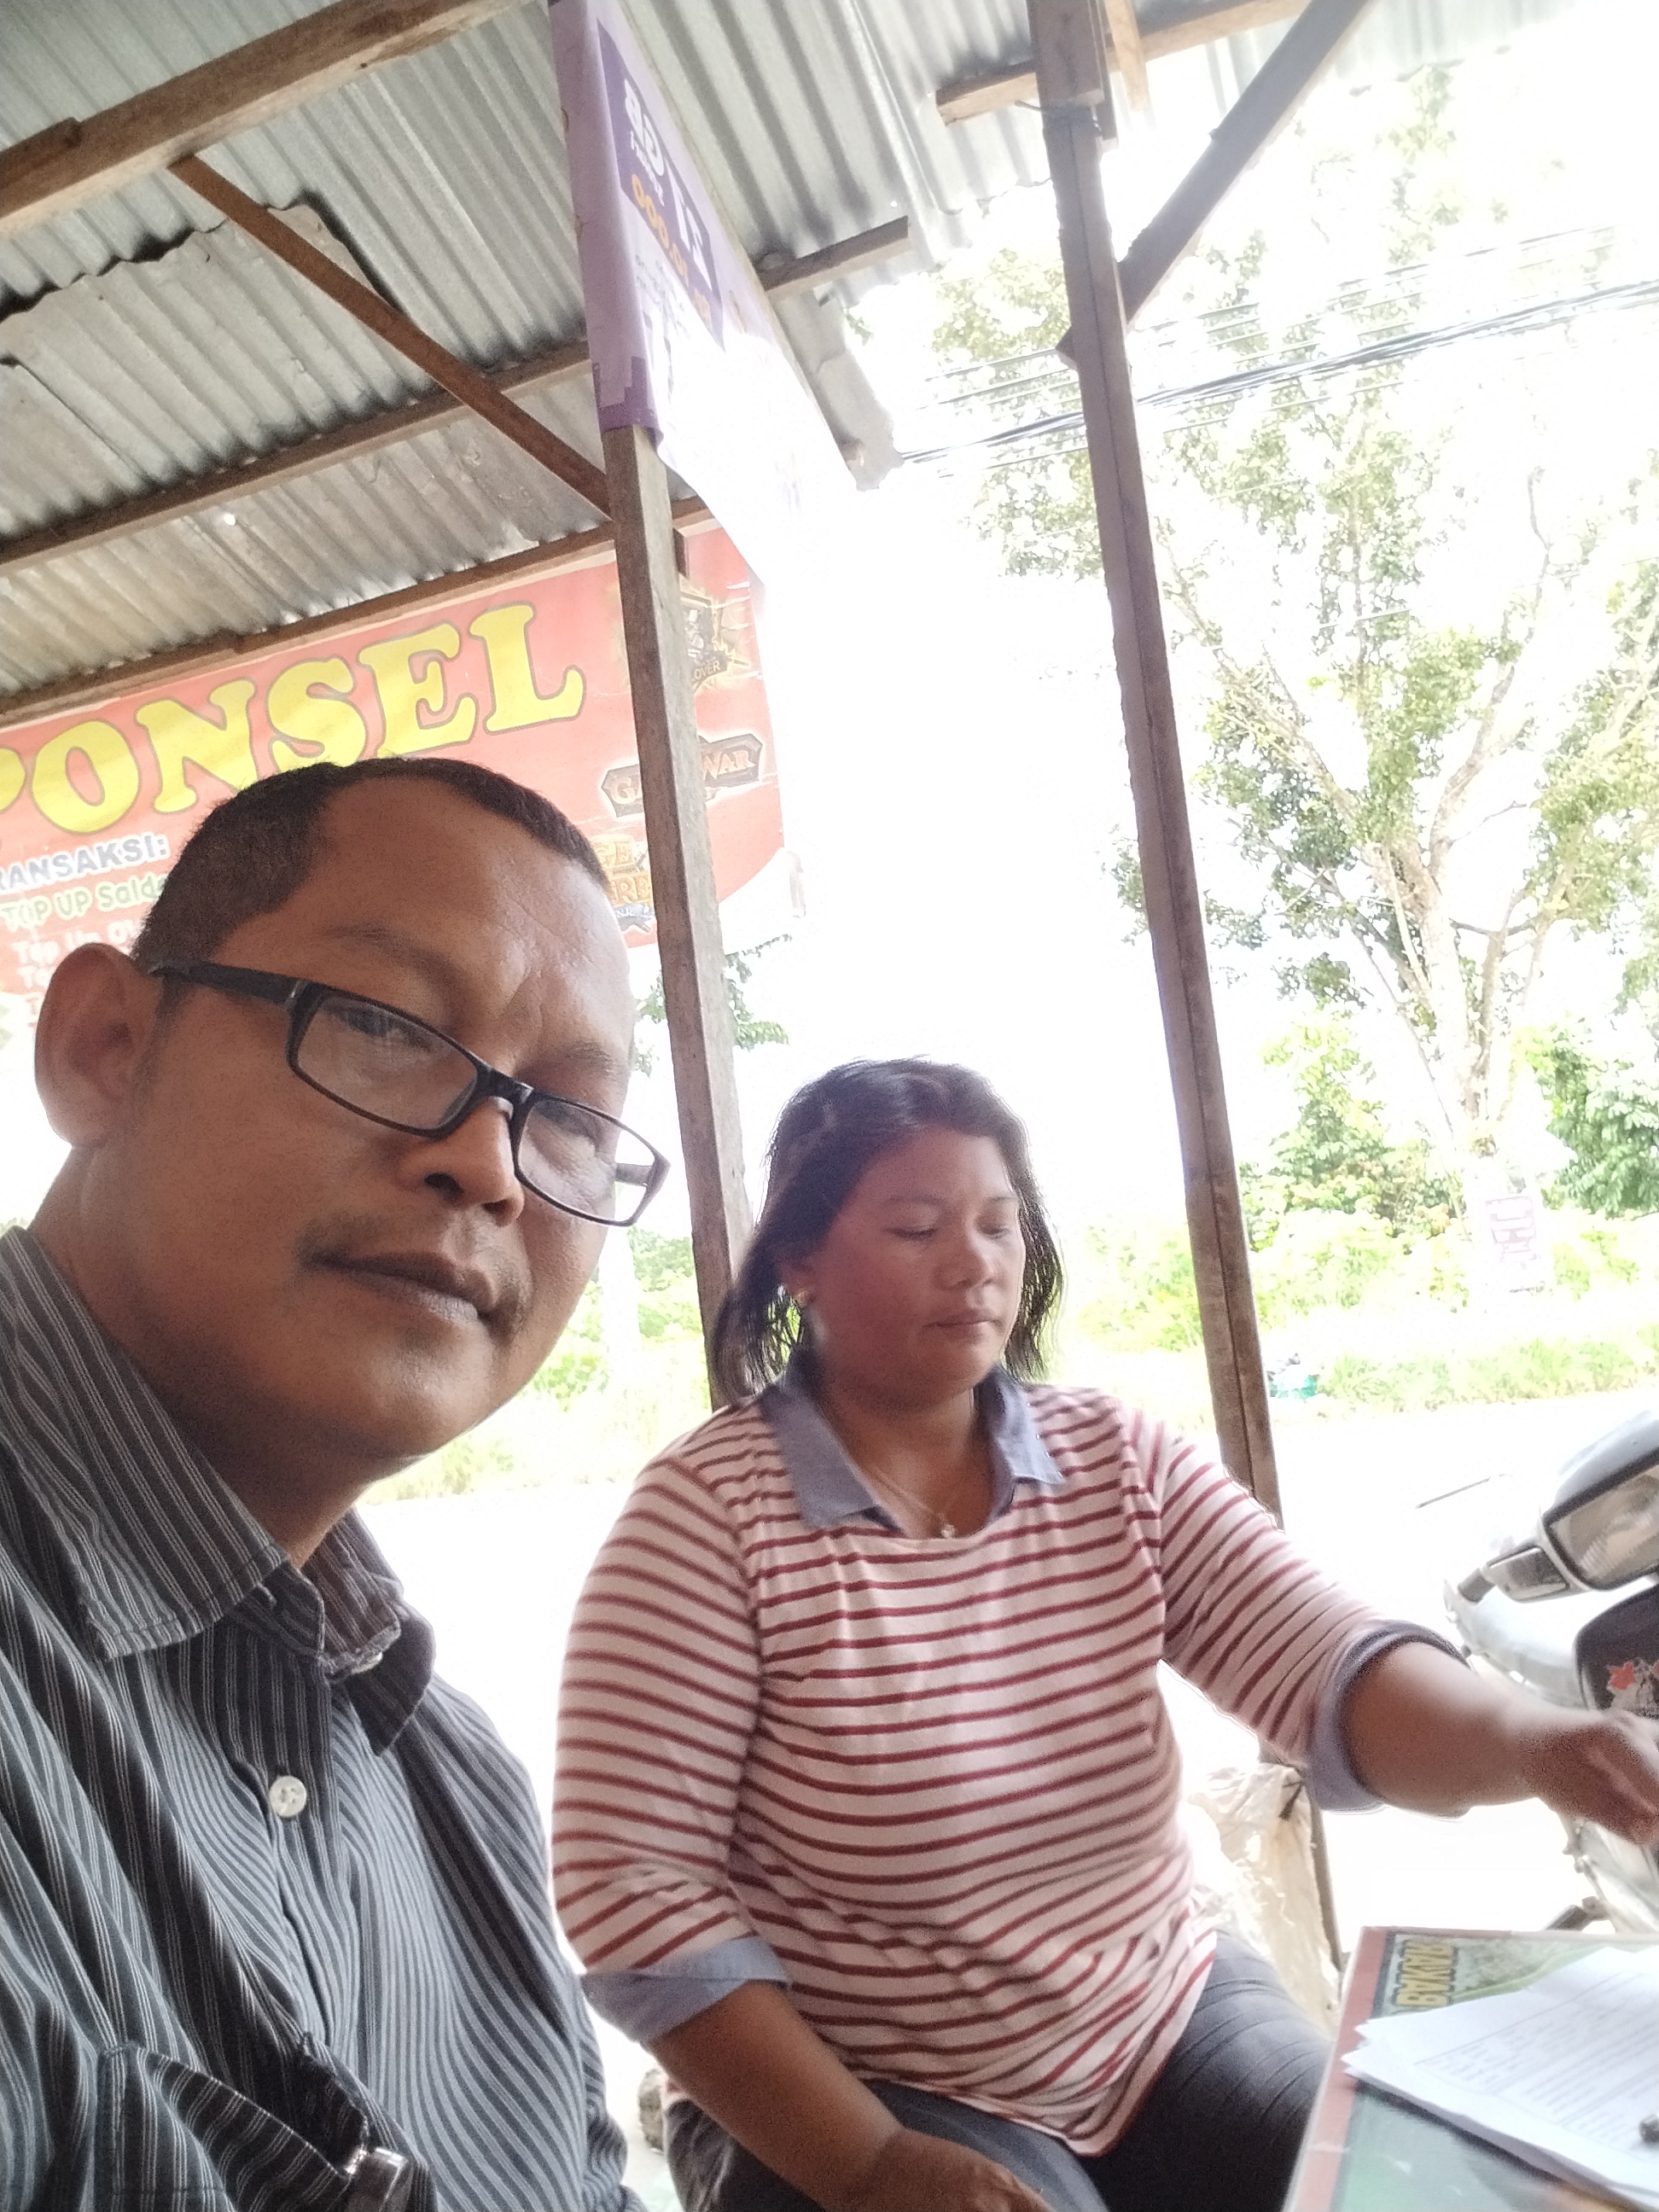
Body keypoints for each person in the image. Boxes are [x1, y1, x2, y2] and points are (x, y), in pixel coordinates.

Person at [553, 1059, 1659, 2212]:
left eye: (999, 1224)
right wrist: (869, 2161)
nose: (974, 1261)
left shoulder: (1112, 1460)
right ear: (800, 1259)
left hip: (1160, 2011)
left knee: (1397, 2186)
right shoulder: (708, 1518)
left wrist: (1535, 1744)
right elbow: (632, 1883)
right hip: (862, 2081)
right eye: (917, 1227)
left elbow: (1324, 1660)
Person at [1, 759, 669, 2212]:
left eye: (567, 1118)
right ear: (107, 1047)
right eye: (384, 1026)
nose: (488, 1166)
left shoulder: (458, 1793)